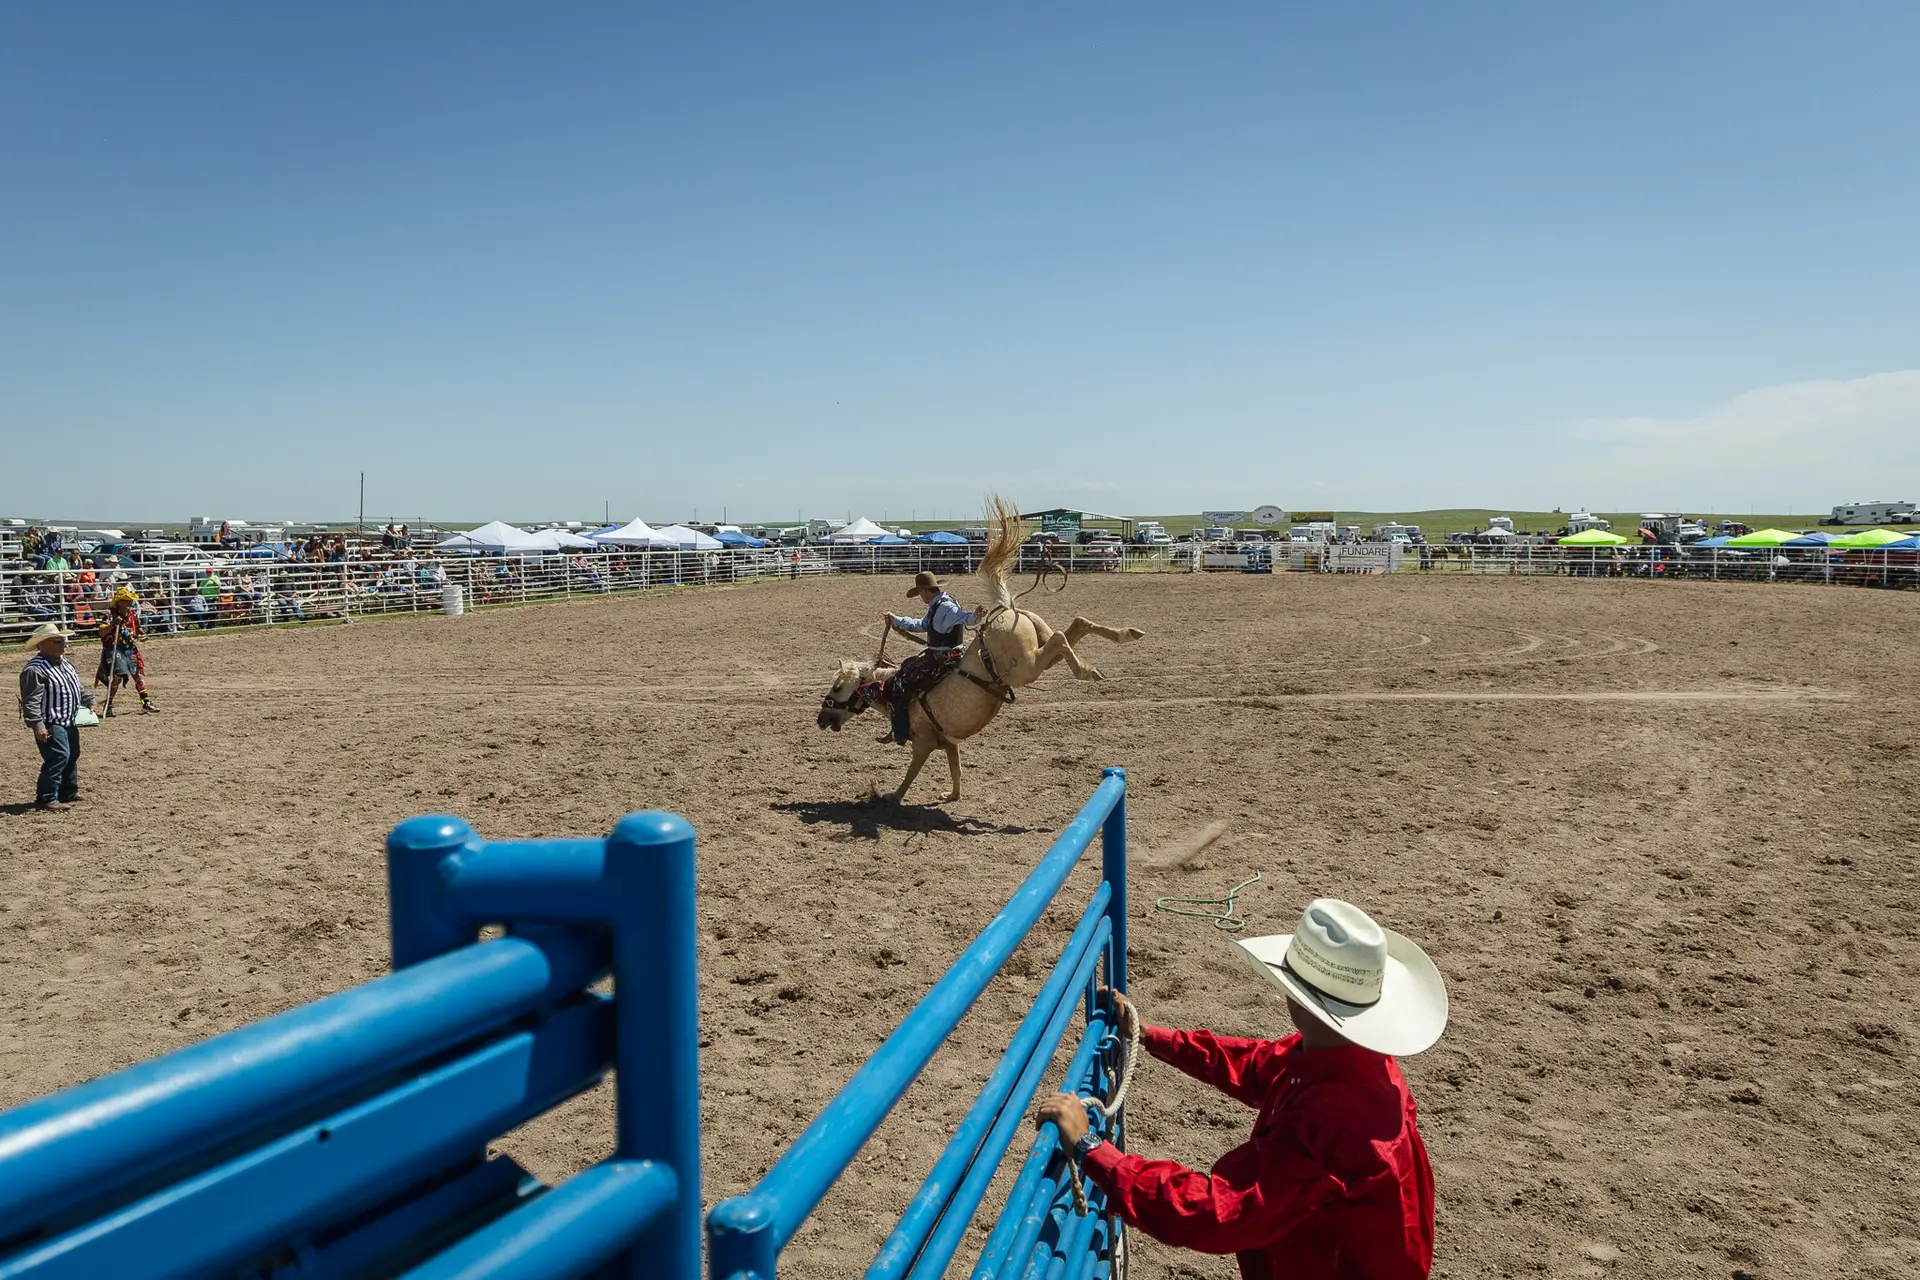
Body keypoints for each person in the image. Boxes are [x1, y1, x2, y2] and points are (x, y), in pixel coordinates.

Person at [1036, 898, 1448, 1279]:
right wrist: (1153, 1036)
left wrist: (1093, 1150)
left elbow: (1215, 1211)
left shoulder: (1327, 1124)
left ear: (1297, 1000)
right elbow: (1257, 1064)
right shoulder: (1360, 1063)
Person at [872, 571, 984, 744]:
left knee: (900, 682)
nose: (920, 597)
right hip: (942, 654)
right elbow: (923, 625)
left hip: (943, 657)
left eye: (919, 593)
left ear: (924, 591)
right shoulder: (939, 605)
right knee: (908, 666)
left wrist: (975, 616)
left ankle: (901, 731)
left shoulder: (945, 607)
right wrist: (897, 620)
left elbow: (964, 618)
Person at [18, 622, 86, 811]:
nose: (64, 644)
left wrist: (89, 699)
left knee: (71, 755)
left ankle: (68, 792)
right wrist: (37, 725)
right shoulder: (35, 669)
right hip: (51, 722)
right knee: (59, 756)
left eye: (64, 640)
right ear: (43, 644)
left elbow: (77, 687)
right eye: (59, 640)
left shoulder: (65, 663)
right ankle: (47, 797)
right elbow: (30, 700)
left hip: (68, 720)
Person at [95, 588, 159, 715]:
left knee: (137, 674)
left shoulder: (132, 614)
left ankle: (146, 703)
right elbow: (102, 631)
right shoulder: (109, 615)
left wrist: (143, 634)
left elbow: (138, 628)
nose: (130, 601)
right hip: (114, 647)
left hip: (130, 647)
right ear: (119, 602)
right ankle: (109, 704)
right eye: (126, 599)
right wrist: (113, 624)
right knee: (117, 677)